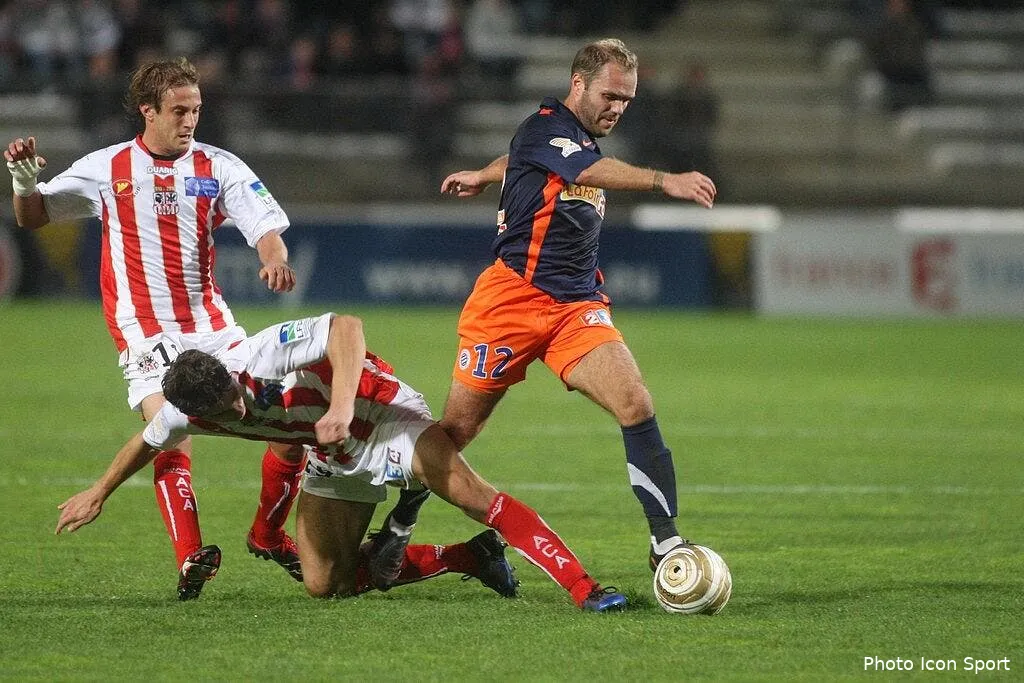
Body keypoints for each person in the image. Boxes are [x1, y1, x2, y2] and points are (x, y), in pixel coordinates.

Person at [55, 312, 627, 612]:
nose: (241, 403)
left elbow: (345, 328)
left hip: (383, 417)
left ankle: (585, 588)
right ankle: (465, 558)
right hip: (329, 452)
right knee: (324, 584)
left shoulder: (258, 355)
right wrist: (99, 491)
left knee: (478, 497)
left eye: (235, 391)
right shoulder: (188, 414)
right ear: (201, 414)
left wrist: (345, 403)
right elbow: (145, 444)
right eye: (227, 408)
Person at [402, 38, 716, 576]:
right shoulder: (547, 125)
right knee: (454, 433)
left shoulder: (564, 139)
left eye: (627, 100)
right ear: (578, 84)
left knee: (635, 404)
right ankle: (400, 523)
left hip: (576, 308)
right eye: (610, 95)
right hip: (509, 303)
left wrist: (484, 173)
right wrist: (666, 180)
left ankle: (666, 543)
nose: (617, 108)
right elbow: (581, 170)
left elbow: (529, 159)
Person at [5, 57, 304, 601]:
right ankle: (191, 554)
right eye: (179, 111)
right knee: (171, 428)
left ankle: (268, 534)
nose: (190, 121)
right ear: (148, 110)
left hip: (213, 328)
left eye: (196, 110)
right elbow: (33, 217)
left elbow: (266, 229)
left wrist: (272, 259)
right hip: (145, 333)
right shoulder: (107, 167)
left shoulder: (220, 166)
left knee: (291, 427)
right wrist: (25, 180)